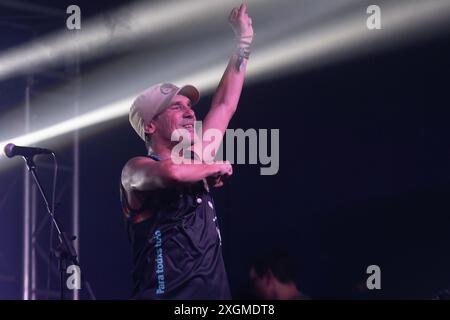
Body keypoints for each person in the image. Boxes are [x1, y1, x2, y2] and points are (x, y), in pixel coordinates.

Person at [120, 3, 253, 299]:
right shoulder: (135, 169)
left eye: (190, 107)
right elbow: (170, 172)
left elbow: (224, 104)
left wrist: (242, 42)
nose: (190, 113)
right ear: (151, 126)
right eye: (176, 107)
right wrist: (213, 167)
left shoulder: (196, 157)